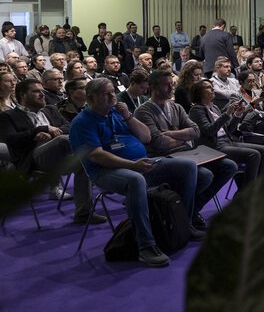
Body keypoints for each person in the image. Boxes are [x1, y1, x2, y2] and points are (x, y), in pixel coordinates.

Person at [69, 77, 205, 267]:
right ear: (91, 98)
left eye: (113, 92)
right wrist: (133, 166)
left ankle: (184, 224)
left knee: (188, 167)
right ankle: (145, 245)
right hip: (106, 171)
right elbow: (97, 156)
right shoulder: (82, 122)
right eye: (106, 94)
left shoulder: (117, 113)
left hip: (139, 162)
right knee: (135, 180)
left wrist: (127, 115)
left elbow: (146, 137)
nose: (113, 97)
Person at [134, 70, 238, 227]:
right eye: (167, 85)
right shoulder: (143, 111)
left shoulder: (176, 107)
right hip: (163, 158)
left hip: (188, 154)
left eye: (172, 84)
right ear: (153, 87)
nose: (171, 88)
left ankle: (191, 210)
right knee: (205, 175)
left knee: (229, 166)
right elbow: (159, 143)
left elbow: (196, 132)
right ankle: (185, 221)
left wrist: (170, 134)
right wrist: (184, 137)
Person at [0, 78, 102, 223]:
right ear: (23, 95)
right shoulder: (8, 116)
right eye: (36, 91)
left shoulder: (50, 110)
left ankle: (83, 213)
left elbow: (69, 126)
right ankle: (99, 153)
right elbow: (11, 140)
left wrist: (53, 132)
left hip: (61, 154)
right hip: (33, 159)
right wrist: (41, 130)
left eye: (42, 91)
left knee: (83, 162)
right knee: (64, 141)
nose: (42, 94)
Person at [188, 79, 264, 184]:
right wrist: (227, 114)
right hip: (214, 146)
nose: (213, 89)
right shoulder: (196, 110)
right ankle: (248, 191)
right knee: (254, 155)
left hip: (228, 141)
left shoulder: (214, 107)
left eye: (212, 87)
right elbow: (209, 131)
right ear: (199, 92)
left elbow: (229, 130)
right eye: (208, 87)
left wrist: (237, 115)